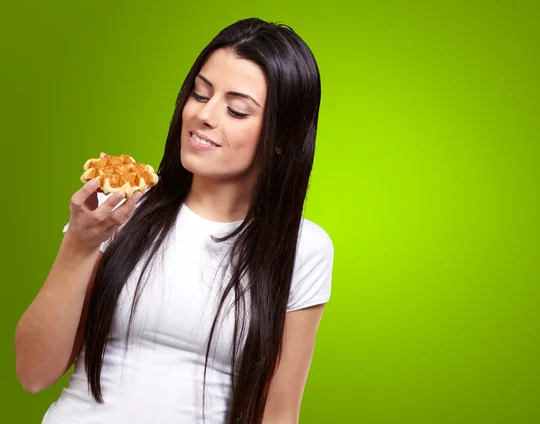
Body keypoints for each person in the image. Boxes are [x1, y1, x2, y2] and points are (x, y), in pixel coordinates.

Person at [14, 17, 334, 424]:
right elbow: (33, 373)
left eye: (236, 110)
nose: (205, 115)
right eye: (200, 95)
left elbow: (279, 411)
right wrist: (79, 244)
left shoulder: (302, 248)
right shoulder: (122, 207)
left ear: (282, 137)